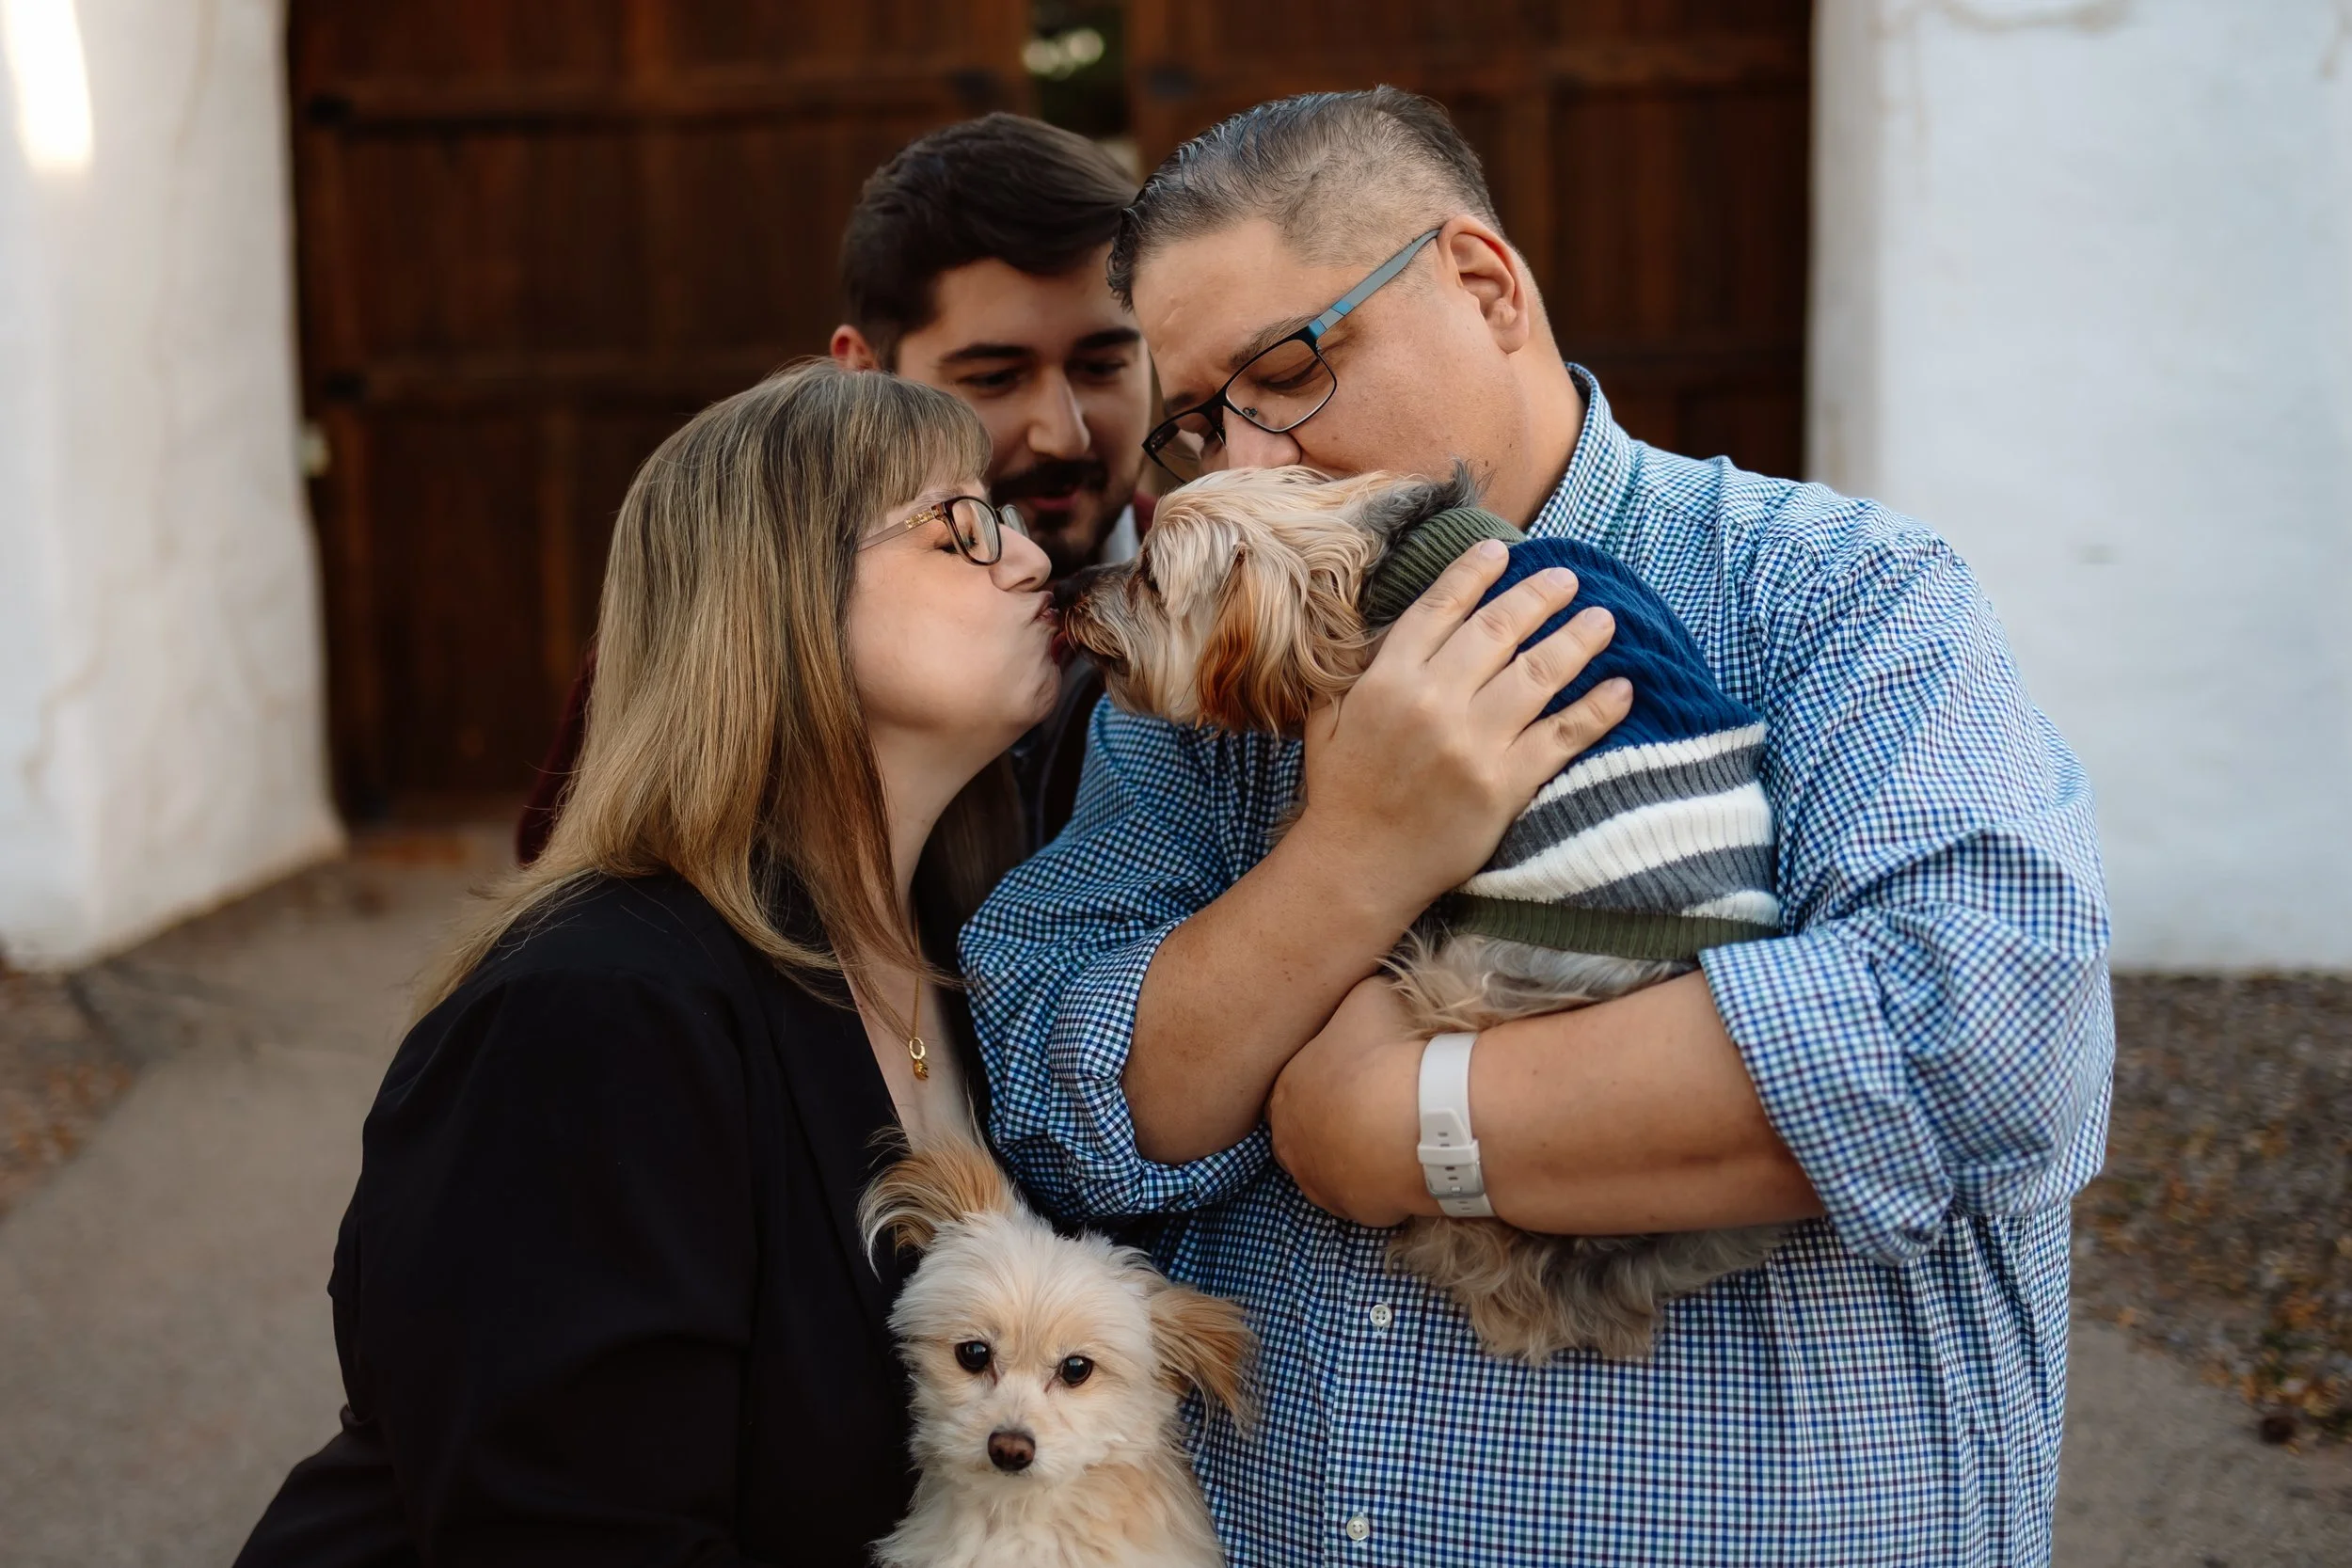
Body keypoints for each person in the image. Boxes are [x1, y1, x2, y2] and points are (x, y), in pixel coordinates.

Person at [965, 88, 2112, 1566]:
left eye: (1290, 368)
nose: (1244, 464)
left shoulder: (1837, 593)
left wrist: (1390, 1126)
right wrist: (1355, 855)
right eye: (1197, 425)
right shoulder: (1204, 696)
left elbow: (1986, 1040)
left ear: (1485, 286)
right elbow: (1069, 1096)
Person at [236, 363, 1060, 1566]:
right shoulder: (593, 1008)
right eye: (960, 526)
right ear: (775, 594)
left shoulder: (960, 958)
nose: (1030, 556)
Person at [516, 113, 1150, 863]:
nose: (1064, 433)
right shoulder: (736, 616)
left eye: (1102, 365)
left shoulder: (1236, 590)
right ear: (864, 371)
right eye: (995, 378)